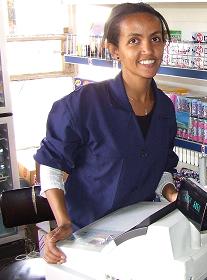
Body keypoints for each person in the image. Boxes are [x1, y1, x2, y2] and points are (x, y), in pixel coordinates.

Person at [34, 3, 179, 264]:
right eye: (134, 40)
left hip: (139, 235)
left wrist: (174, 196)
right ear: (115, 50)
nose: (148, 50)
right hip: (86, 237)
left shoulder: (166, 109)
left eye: (155, 38)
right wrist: (63, 222)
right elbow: (50, 166)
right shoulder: (84, 104)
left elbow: (162, 168)